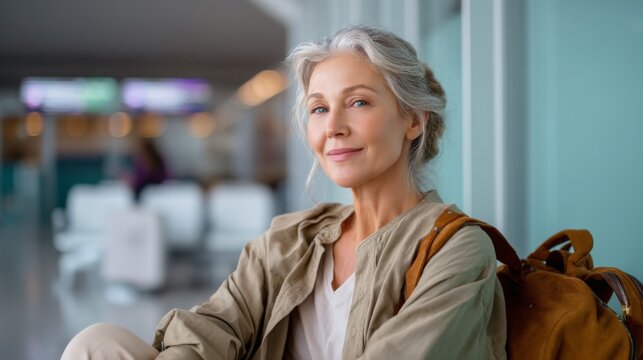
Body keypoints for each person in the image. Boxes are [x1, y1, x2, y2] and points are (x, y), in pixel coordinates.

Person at [62, 25, 506, 360]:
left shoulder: (457, 249)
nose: (332, 127)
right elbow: (212, 327)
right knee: (96, 343)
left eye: (358, 102)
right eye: (318, 108)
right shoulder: (292, 239)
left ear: (413, 120)